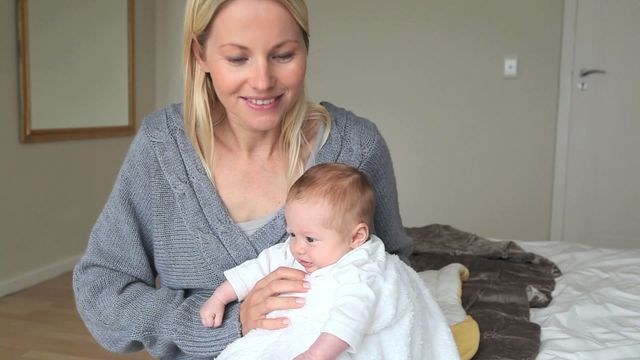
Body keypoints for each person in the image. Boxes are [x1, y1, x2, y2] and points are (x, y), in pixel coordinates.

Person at [73, 0, 413, 358]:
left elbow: (395, 276)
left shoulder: (358, 147)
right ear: (199, 54)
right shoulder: (162, 147)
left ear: (306, 49)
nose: (263, 81)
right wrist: (229, 321)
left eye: (283, 55)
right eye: (237, 58)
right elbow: (102, 288)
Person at [202, 163, 459, 360]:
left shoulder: (362, 270)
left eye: (310, 239)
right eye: (292, 233)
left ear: (356, 237)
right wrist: (219, 298)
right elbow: (256, 268)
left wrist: (315, 355)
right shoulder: (296, 250)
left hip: (326, 346)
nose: (297, 247)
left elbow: (351, 317)